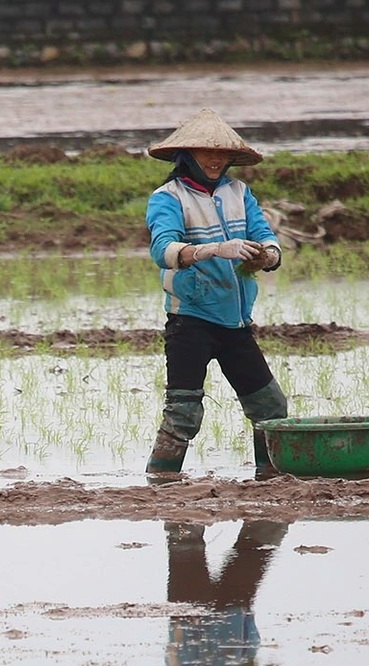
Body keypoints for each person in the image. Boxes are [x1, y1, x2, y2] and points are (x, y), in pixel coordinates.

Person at [143, 109, 290, 483]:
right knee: (183, 413)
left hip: (235, 323)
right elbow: (163, 250)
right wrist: (212, 249)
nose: (214, 160)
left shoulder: (240, 192)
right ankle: (159, 482)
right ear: (186, 155)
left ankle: (270, 478)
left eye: (222, 153)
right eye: (206, 152)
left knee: (270, 407)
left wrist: (268, 255)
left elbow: (265, 235)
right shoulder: (168, 197)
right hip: (190, 321)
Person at [152, 520, 287, 666]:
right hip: (237, 621)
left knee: (185, 542)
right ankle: (276, 495)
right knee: (256, 548)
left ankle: (170, 484)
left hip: (190, 623)